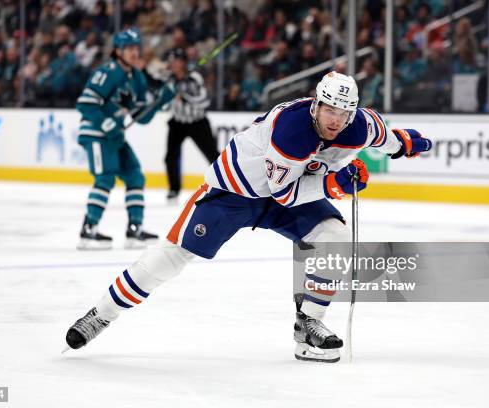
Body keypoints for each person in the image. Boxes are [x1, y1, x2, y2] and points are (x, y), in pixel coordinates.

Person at [65, 72, 432, 362]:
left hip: (290, 191)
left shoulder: (359, 125)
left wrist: (411, 143)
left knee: (334, 239)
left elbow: (388, 139)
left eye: (343, 113)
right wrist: (335, 185)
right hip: (233, 193)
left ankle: (309, 326)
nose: (336, 121)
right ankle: (101, 314)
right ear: (316, 105)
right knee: (172, 256)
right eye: (329, 110)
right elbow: (284, 194)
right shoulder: (292, 130)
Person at [76, 28, 176, 250]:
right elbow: (85, 103)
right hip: (96, 134)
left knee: (134, 175)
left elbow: (140, 118)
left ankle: (134, 230)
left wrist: (160, 101)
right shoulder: (108, 72)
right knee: (105, 178)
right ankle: (88, 230)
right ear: (118, 50)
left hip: (115, 136)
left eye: (136, 47)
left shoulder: (137, 78)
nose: (134, 52)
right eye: (129, 48)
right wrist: (106, 123)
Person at [164, 48, 219, 201]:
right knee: (170, 156)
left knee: (212, 155)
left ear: (183, 62)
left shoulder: (194, 78)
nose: (172, 64)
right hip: (178, 123)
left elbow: (205, 101)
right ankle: (174, 189)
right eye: (171, 61)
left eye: (175, 61)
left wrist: (185, 97)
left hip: (197, 122)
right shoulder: (170, 79)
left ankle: (226, 184)